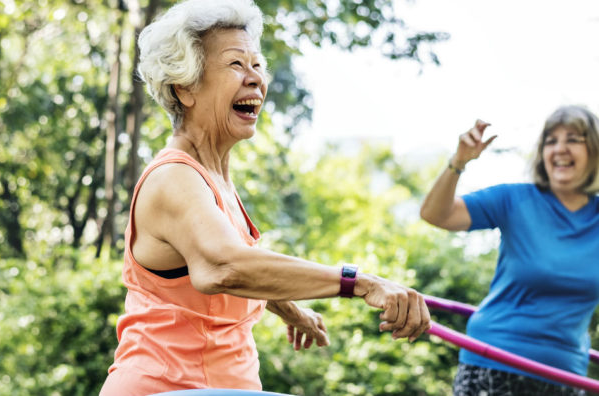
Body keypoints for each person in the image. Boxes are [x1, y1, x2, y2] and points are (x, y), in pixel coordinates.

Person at [99, 0, 431, 394]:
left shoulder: (215, 181)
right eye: (237, 65)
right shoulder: (174, 177)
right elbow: (224, 266)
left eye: (258, 65)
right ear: (185, 87)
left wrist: (291, 310)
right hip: (168, 386)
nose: (255, 78)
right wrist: (357, 282)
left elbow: (237, 271)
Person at [420, 106, 599, 396]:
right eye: (551, 141)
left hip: (566, 376)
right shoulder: (514, 199)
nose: (560, 149)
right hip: (494, 364)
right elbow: (436, 214)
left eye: (573, 139)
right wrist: (459, 162)